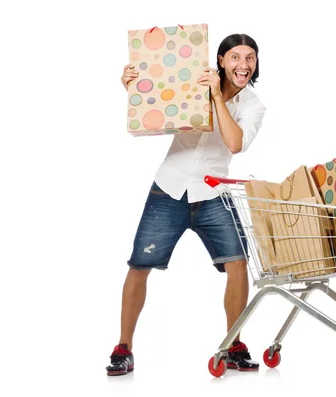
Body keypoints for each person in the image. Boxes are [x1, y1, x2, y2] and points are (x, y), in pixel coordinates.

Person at [106, 33, 266, 376]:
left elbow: (235, 143)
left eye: (250, 57)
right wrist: (133, 87)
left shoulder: (253, 105)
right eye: (235, 57)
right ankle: (123, 347)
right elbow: (156, 108)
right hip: (170, 188)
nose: (243, 64)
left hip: (213, 194)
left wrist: (216, 99)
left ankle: (233, 344)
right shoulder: (192, 77)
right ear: (221, 60)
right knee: (139, 264)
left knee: (238, 263)